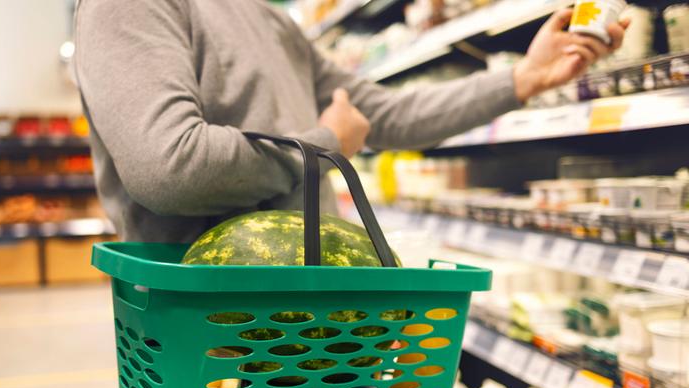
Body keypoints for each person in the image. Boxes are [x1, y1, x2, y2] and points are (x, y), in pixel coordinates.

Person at [74, 0, 627, 242]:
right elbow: (171, 168)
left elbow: (380, 112)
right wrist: (325, 144)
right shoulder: (130, 4)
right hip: (210, 331)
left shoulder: (268, 18)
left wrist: (522, 80)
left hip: (312, 320)